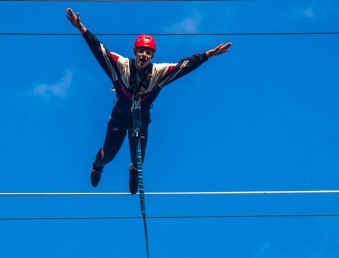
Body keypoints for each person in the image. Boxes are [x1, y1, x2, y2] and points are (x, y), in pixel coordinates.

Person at [66, 8, 232, 194]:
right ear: (135, 51)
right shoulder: (121, 65)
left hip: (140, 119)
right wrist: (81, 27)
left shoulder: (159, 72)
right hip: (120, 117)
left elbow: (185, 65)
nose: (144, 55)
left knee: (138, 159)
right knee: (109, 154)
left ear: (152, 56)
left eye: (148, 52)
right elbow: (99, 49)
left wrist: (207, 55)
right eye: (141, 51)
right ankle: (98, 165)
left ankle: (134, 171)